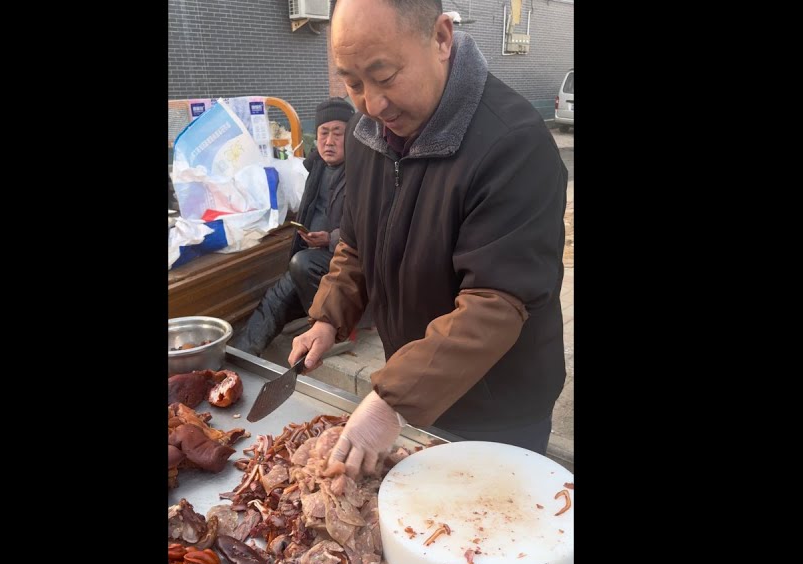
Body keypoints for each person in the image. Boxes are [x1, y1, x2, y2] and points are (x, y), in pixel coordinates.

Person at [288, 0, 568, 476]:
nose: (372, 104)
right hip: (414, 386)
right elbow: (356, 243)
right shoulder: (366, 134)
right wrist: (328, 317)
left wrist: (392, 400)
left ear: (440, 38)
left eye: (385, 76)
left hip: (497, 405)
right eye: (353, 83)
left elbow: (496, 302)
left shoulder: (513, 143)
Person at [231, 98, 353, 357]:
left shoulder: (364, 173)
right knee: (277, 296)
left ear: (352, 136)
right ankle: (237, 358)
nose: (329, 141)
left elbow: (370, 229)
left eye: (338, 133)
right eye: (323, 133)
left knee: (301, 264)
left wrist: (330, 238)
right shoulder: (316, 167)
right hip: (316, 256)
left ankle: (338, 328)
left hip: (350, 263)